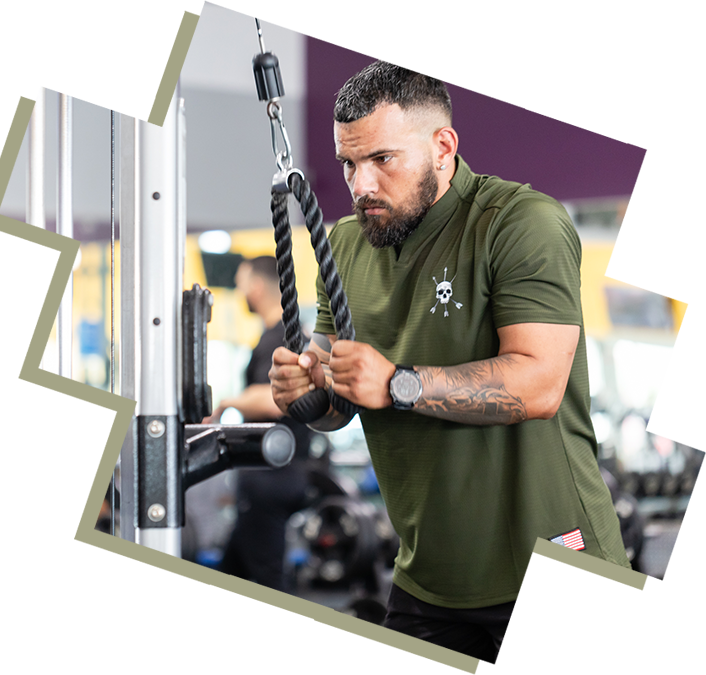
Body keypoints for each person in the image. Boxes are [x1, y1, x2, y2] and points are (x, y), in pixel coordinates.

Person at [269, 60, 631, 670]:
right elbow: (338, 404)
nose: (361, 185)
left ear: (443, 147)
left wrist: (398, 383)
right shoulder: (348, 245)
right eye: (348, 164)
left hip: (559, 568)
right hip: (429, 576)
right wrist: (308, 390)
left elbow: (540, 383)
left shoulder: (519, 223)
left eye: (383, 159)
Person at [203, 256, 311, 592]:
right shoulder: (279, 335)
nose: (239, 292)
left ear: (258, 287)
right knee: (230, 570)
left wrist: (224, 403)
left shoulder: (279, 338)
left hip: (272, 477)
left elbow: (275, 400)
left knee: (268, 581)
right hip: (270, 475)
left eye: (241, 283)